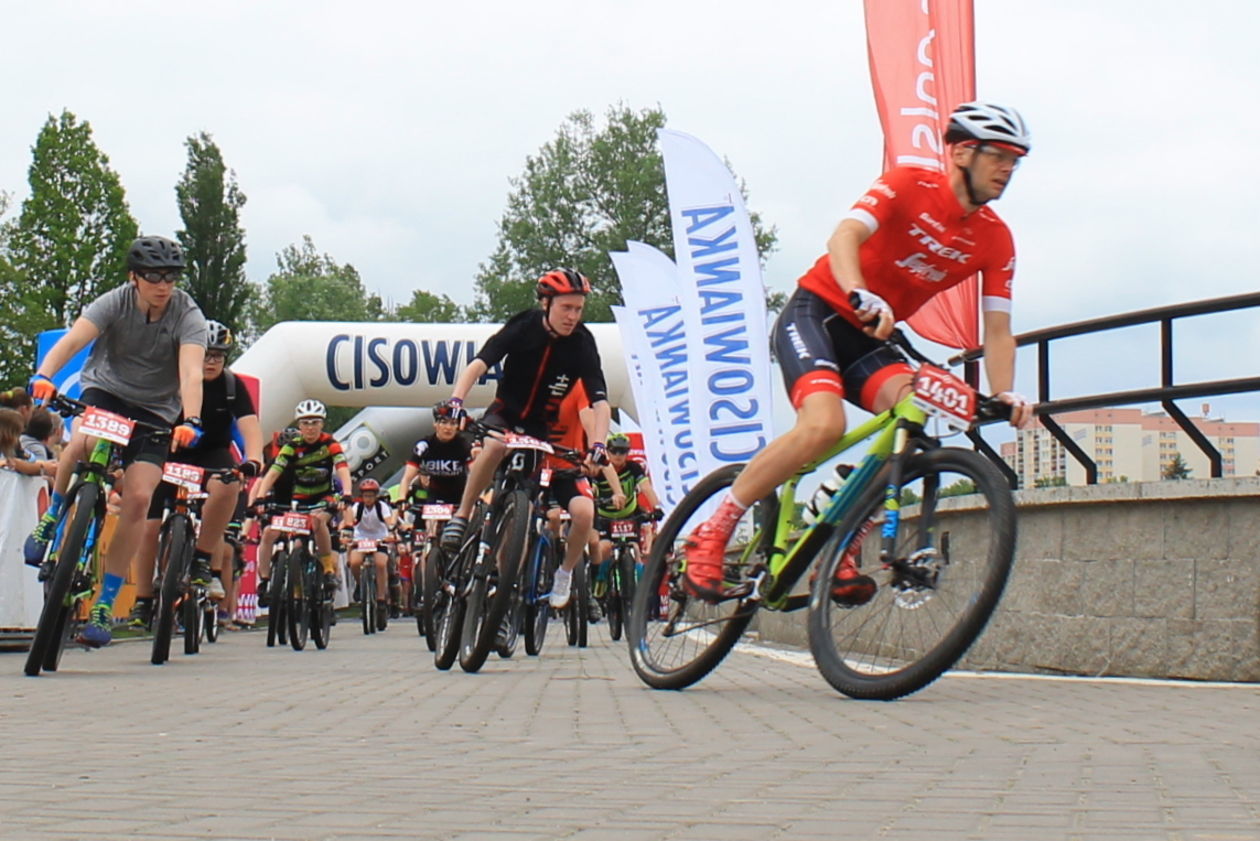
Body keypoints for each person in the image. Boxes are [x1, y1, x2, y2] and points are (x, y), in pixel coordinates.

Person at [682, 102, 1036, 604]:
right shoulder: (909, 184)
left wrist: (1005, 393)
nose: (1007, 168)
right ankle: (713, 530)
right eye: (998, 155)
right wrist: (858, 292)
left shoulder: (995, 238)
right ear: (961, 152)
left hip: (871, 337)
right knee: (825, 425)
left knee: (914, 418)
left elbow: (998, 330)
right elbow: (845, 235)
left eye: (1015, 160)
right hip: (819, 313)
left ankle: (839, 544)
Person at [24, 235, 207, 646]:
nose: (163, 285)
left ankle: (105, 603)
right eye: (154, 277)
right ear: (134, 277)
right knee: (84, 442)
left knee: (140, 497)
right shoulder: (114, 301)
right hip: (106, 389)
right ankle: (53, 515)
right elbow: (74, 340)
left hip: (156, 409)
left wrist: (192, 419)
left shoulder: (187, 314)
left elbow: (191, 372)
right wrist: (44, 375)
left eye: (171, 277)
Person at [437, 268, 612, 610]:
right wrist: (456, 400)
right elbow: (479, 363)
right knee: (495, 444)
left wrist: (598, 445)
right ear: (546, 303)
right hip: (505, 412)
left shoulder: (582, 342)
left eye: (578, 309)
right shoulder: (525, 325)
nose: (572, 316)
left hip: (537, 428)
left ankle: (506, 595)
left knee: (525, 513)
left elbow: (600, 402)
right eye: (566, 308)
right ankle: (462, 514)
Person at [128, 321, 265, 627]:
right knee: (149, 528)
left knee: (229, 483)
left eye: (218, 356)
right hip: (166, 451)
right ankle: (143, 599)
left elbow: (250, 427)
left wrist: (254, 459)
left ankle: (203, 558)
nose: (211, 362)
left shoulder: (231, 386)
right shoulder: (169, 378)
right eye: (205, 355)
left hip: (210, 452)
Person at [247, 399, 352, 599]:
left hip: (324, 497)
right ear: (299, 425)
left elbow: (342, 468)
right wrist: (259, 498)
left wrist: (346, 493)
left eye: (315, 422)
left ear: (322, 424)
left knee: (318, 521)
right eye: (305, 423)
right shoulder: (292, 446)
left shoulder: (330, 444)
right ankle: (266, 580)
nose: (310, 428)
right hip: (299, 499)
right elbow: (273, 472)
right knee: (270, 533)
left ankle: (328, 570)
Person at [590, 432, 663, 596]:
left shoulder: (634, 468)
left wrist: (656, 507)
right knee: (605, 547)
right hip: (605, 516)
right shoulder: (601, 469)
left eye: (622, 451)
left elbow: (646, 488)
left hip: (629, 515)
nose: (618, 455)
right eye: (614, 451)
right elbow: (593, 488)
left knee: (636, 549)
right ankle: (601, 578)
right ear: (607, 451)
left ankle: (642, 591)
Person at [343, 478, 397, 624]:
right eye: (366, 496)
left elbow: (389, 521)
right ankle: (361, 585)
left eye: (371, 496)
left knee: (381, 564)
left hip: (379, 539)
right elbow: (348, 521)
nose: (368, 499)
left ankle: (381, 599)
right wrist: (345, 532)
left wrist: (391, 531)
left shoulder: (382, 507)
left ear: (376, 496)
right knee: (354, 562)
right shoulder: (357, 507)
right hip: (361, 539)